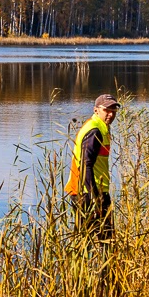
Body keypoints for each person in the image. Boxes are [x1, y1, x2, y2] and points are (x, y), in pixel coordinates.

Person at [64, 93, 120, 242]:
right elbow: (85, 165)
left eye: (113, 110)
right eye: (107, 110)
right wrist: (95, 197)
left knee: (92, 241)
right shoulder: (94, 130)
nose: (110, 114)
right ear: (96, 110)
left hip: (91, 191)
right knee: (105, 241)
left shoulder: (101, 127)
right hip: (88, 194)